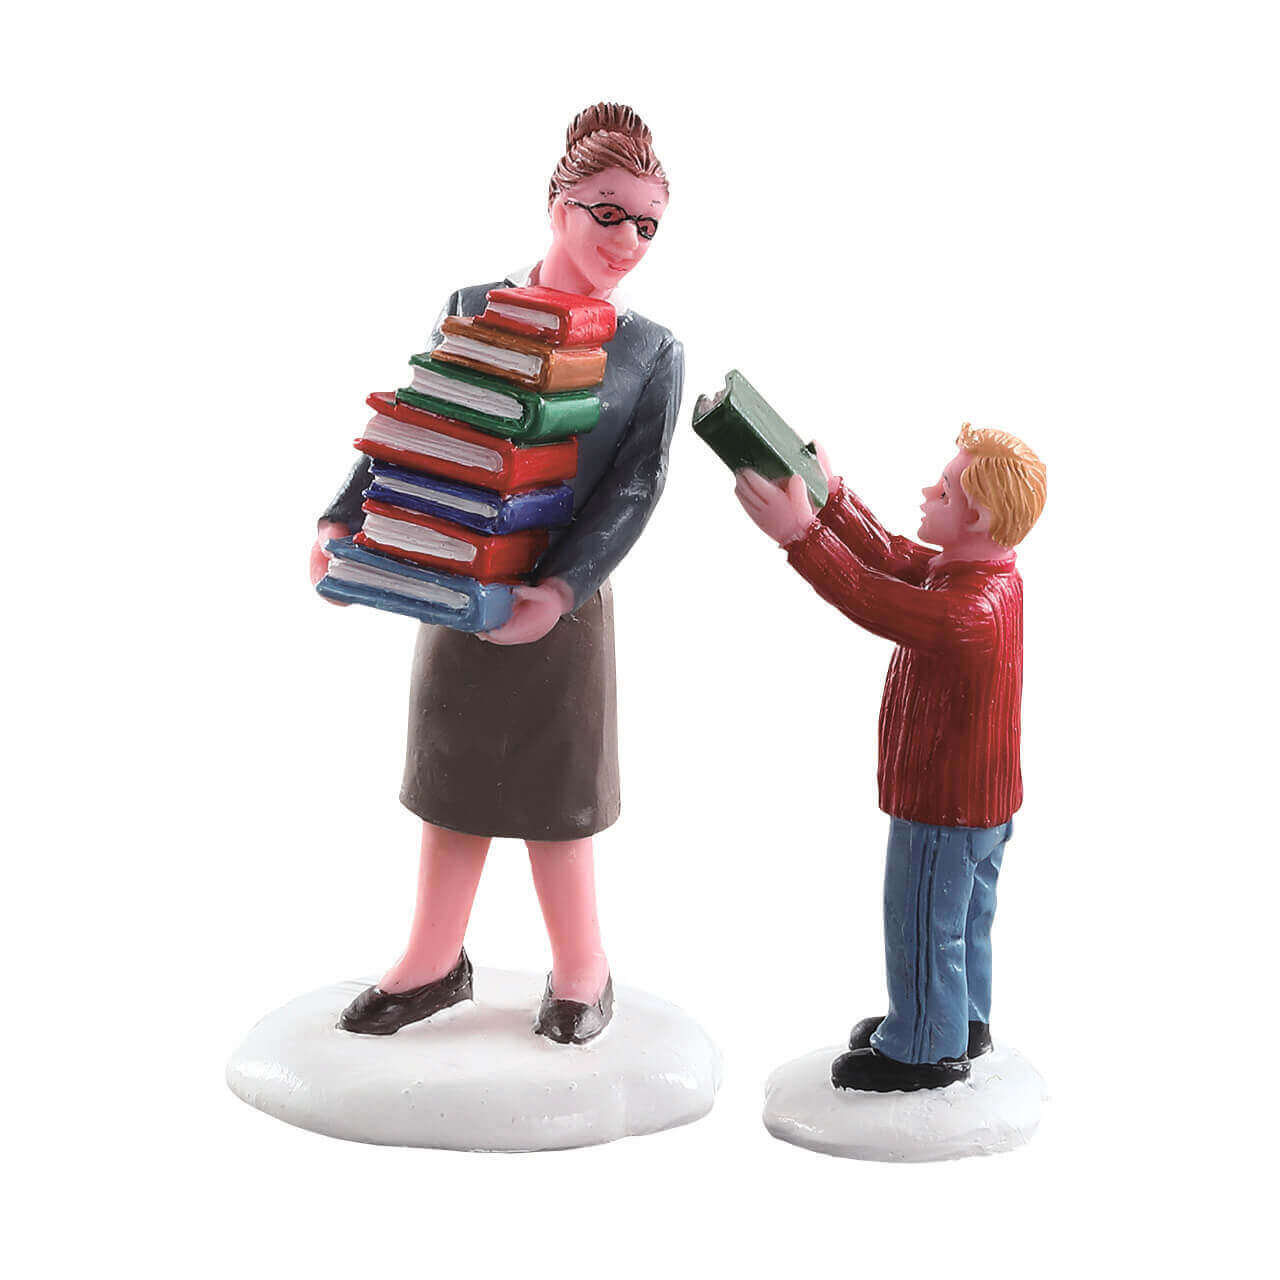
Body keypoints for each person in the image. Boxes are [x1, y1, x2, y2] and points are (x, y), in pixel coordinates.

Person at [309, 103, 683, 1045]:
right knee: (452, 783)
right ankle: (433, 960)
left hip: (561, 606)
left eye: (647, 224)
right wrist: (346, 517)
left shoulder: (650, 351)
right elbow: (420, 424)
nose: (627, 241)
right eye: (608, 213)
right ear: (558, 206)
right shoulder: (474, 306)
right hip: (457, 580)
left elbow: (634, 489)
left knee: (559, 802)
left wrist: (558, 591)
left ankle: (582, 967)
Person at [734, 424, 1046, 1090]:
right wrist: (832, 500)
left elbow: (872, 596)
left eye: (945, 489)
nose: (929, 492)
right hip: (979, 801)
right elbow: (894, 558)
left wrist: (802, 537)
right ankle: (963, 1020)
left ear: (978, 518)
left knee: (924, 921)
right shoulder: (981, 577)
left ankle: (924, 1046)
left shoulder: (968, 609)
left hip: (945, 802)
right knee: (963, 921)